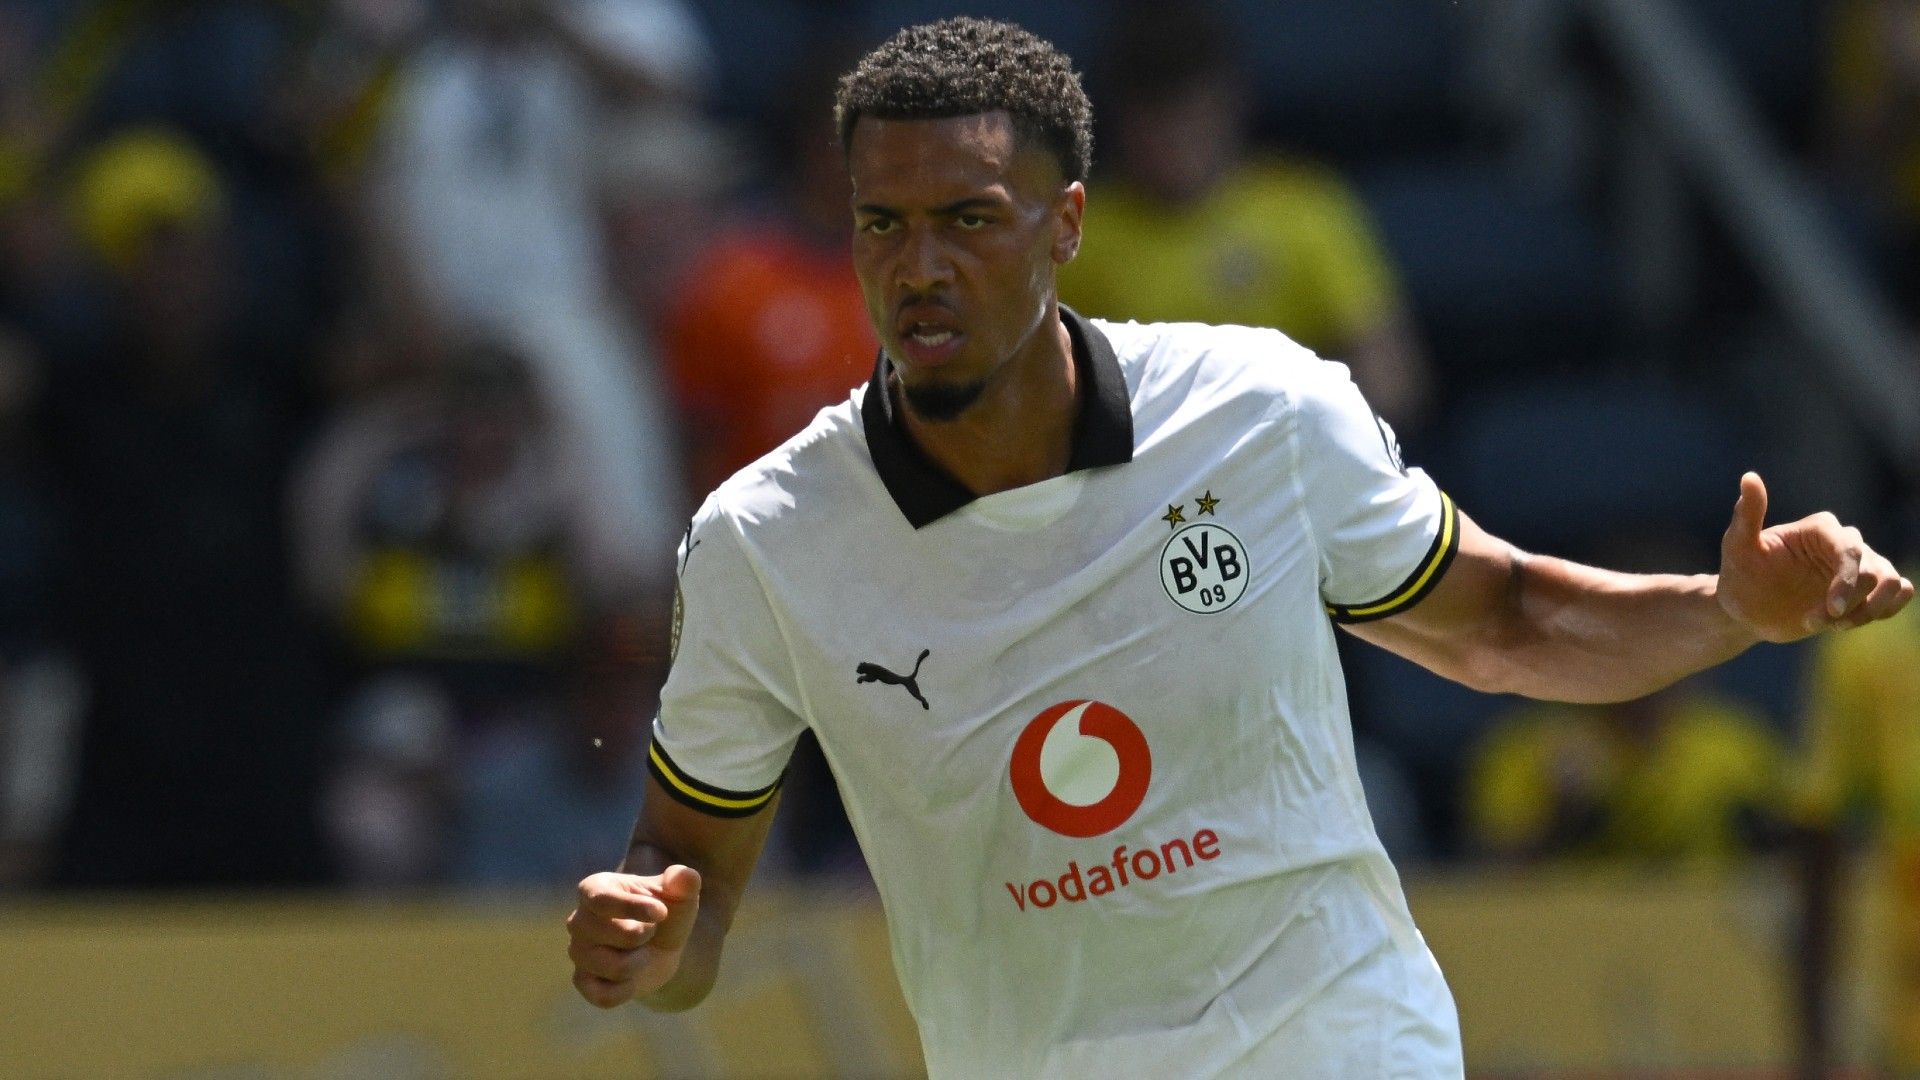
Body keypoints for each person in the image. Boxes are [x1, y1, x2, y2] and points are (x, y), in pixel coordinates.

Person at [564, 19, 1913, 1077]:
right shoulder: (765, 540)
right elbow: (691, 880)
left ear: (1068, 224)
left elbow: (1508, 626)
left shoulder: (1257, 411)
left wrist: (1727, 606)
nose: (920, 267)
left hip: (1338, 1044)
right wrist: (660, 938)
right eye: (883, 224)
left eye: (969, 218)